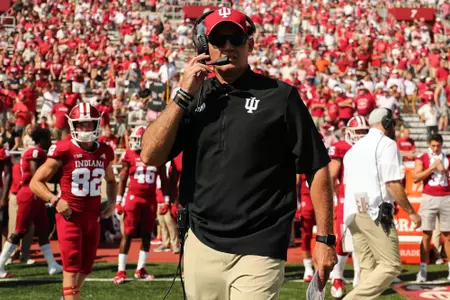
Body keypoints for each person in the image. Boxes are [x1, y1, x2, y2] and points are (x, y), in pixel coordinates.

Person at [141, 8, 336, 299]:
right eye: (219, 39)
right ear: (203, 47)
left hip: (260, 242)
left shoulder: (280, 97)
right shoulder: (192, 98)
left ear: (250, 44)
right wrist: (182, 95)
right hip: (201, 241)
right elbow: (150, 155)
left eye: (236, 38)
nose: (228, 46)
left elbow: (317, 166)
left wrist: (325, 239)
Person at [30, 103, 117, 300]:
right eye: (81, 124)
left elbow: (111, 180)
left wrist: (112, 202)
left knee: (86, 268)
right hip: (70, 216)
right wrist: (55, 200)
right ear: (73, 125)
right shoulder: (64, 149)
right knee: (71, 269)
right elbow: (35, 182)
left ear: (97, 124)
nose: (85, 129)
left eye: (89, 124)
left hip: (93, 217)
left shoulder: (104, 150)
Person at [343, 108, 421, 300]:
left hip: (353, 212)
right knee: (391, 265)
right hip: (374, 211)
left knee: (368, 268)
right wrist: (411, 212)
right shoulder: (386, 144)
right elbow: (392, 182)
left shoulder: (353, 150)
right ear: (386, 123)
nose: (395, 127)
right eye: (393, 123)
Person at [0, 128, 63, 278]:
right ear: (42, 139)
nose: (50, 141)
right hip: (30, 192)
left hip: (35, 194)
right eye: (48, 138)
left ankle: (52, 265)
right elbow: (36, 176)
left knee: (43, 230)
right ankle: (0, 264)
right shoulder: (36, 152)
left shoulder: (38, 152)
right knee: (20, 230)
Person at [113, 126, 169, 284]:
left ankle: (141, 269)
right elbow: (123, 179)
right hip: (133, 199)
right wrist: (119, 201)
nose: (136, 143)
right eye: (135, 139)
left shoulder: (157, 155)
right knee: (128, 234)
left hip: (150, 200)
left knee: (146, 235)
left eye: (139, 139)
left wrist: (166, 200)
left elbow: (164, 179)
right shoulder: (129, 155)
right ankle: (121, 271)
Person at [328, 116, 369, 298]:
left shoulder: (370, 148)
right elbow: (332, 176)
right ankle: (337, 277)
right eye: (358, 131)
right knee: (344, 239)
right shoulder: (342, 148)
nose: (362, 135)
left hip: (365, 198)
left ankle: (359, 279)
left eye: (364, 131)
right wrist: (338, 196)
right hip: (347, 199)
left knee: (364, 241)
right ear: (350, 132)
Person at [413, 134, 450, 282]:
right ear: (429, 145)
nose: (435, 148)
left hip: (447, 197)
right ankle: (422, 270)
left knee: (448, 235)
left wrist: (445, 171)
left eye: (438, 146)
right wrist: (432, 167)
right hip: (429, 197)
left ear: (441, 145)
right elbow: (416, 177)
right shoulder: (423, 157)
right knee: (426, 234)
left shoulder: (447, 158)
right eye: (433, 145)